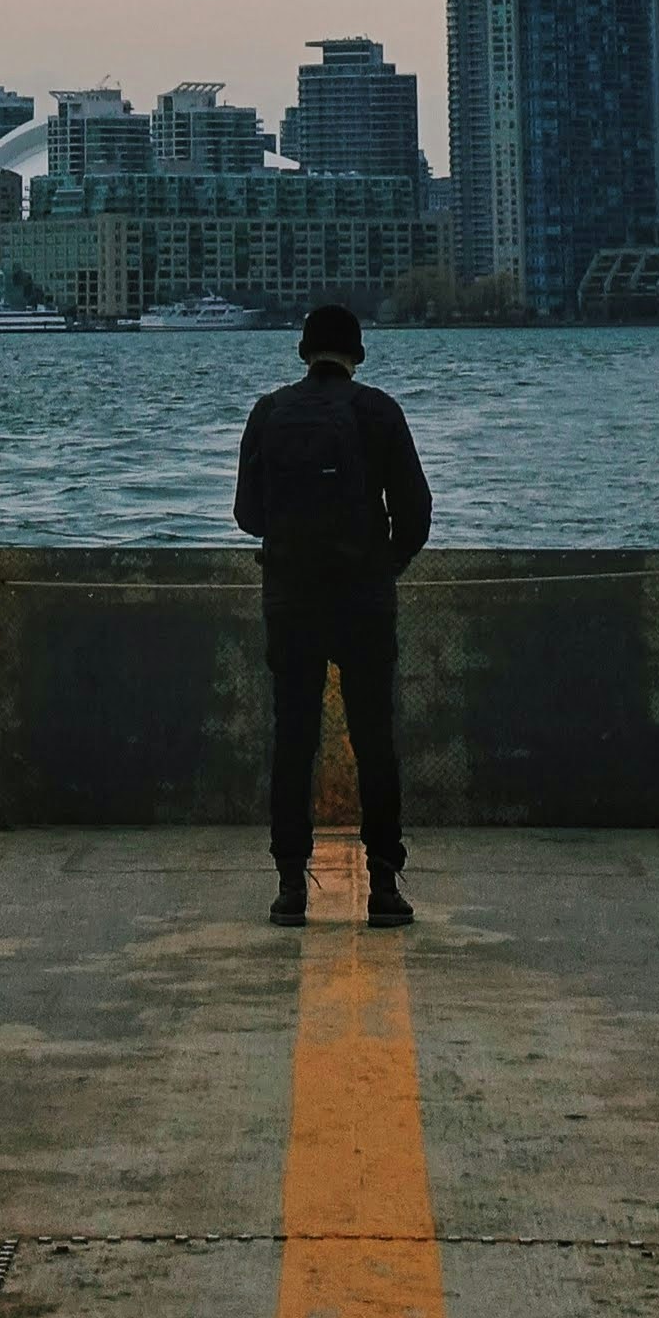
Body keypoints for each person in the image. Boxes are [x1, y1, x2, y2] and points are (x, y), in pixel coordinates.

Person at [233, 301, 432, 928]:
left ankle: (292, 887)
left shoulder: (269, 413)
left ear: (303, 353)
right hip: (363, 600)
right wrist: (382, 564)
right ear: (358, 355)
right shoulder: (378, 411)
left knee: (293, 740)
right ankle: (383, 887)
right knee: (375, 739)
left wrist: (293, 547)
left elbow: (246, 514)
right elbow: (416, 512)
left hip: (290, 599)